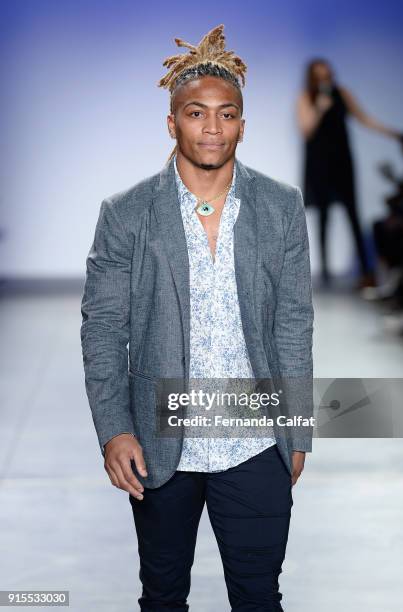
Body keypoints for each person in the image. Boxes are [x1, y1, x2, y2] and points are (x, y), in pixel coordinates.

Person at [80, 24, 314, 611]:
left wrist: (298, 428)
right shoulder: (127, 213)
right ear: (172, 122)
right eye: (196, 113)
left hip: (256, 438)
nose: (212, 127)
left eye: (227, 113)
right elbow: (105, 328)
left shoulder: (280, 207)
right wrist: (114, 428)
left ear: (242, 123)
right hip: (161, 443)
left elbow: (292, 323)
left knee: (259, 597)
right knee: (162, 597)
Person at [296, 57, 401, 288]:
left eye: (327, 74)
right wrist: (320, 109)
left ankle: (367, 270)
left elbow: (364, 118)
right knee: (324, 217)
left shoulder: (342, 93)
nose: (324, 78)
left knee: (353, 213)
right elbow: (306, 130)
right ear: (312, 77)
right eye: (319, 75)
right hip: (319, 165)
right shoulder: (307, 98)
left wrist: (393, 133)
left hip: (342, 162)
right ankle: (325, 274)